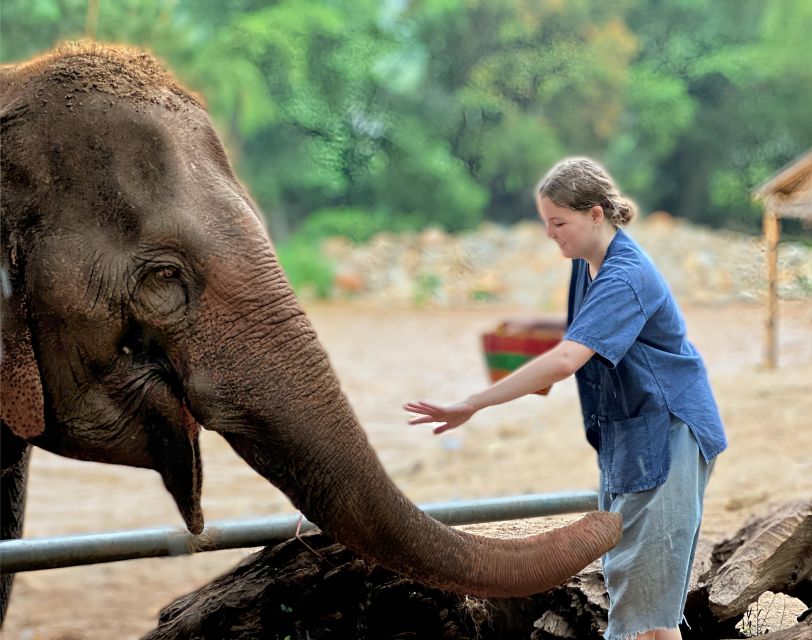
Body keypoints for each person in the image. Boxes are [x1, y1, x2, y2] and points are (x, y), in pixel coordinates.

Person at [404, 157, 727, 640]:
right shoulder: (586, 266)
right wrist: (531, 373)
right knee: (636, 592)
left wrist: (473, 403)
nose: (551, 234)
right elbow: (575, 348)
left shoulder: (624, 276)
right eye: (546, 223)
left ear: (596, 214)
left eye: (559, 222)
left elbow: (564, 359)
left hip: (669, 431)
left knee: (647, 608)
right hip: (630, 432)